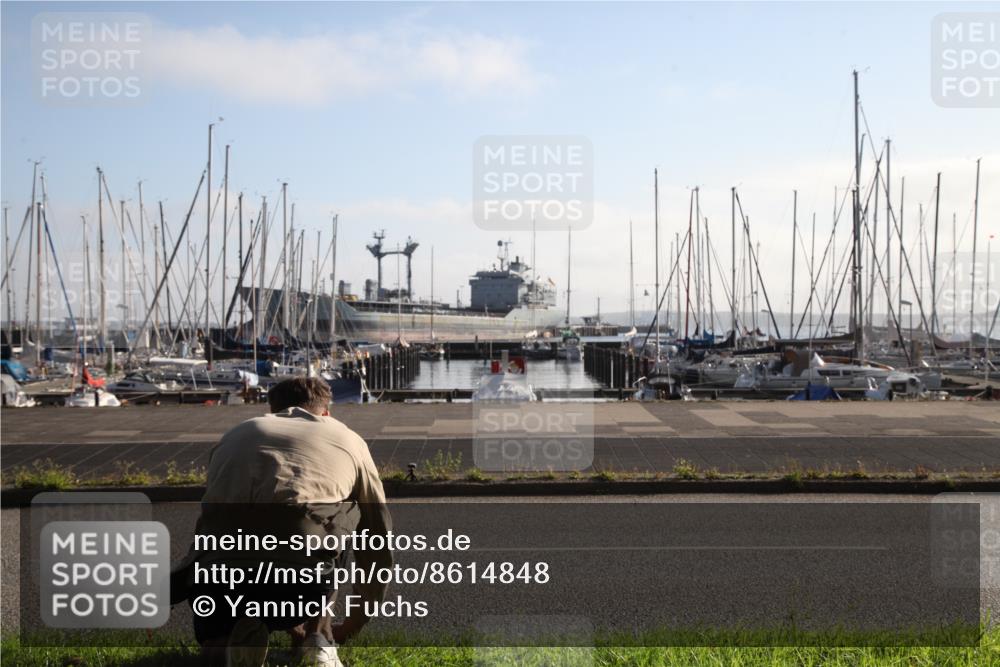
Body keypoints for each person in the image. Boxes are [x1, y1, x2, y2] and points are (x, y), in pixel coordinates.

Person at [174, 377, 392, 666]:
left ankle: (227, 639)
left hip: (218, 581)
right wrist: (356, 621)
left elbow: (208, 523)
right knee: (344, 514)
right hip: (303, 584)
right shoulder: (348, 439)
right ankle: (319, 638)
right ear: (326, 411)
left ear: (272, 409)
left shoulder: (237, 434)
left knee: (230, 529)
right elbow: (377, 537)